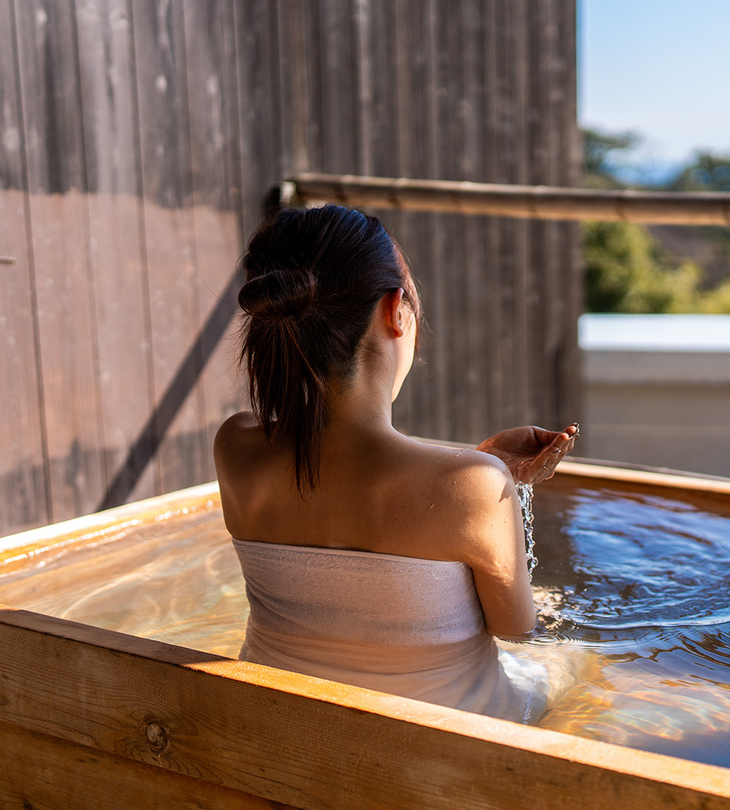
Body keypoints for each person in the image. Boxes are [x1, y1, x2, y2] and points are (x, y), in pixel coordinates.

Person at [214, 204, 578, 723]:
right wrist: (495, 484)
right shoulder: (473, 486)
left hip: (275, 728)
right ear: (394, 311)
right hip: (445, 748)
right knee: (582, 658)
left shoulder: (236, 445)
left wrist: (478, 471)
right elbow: (519, 630)